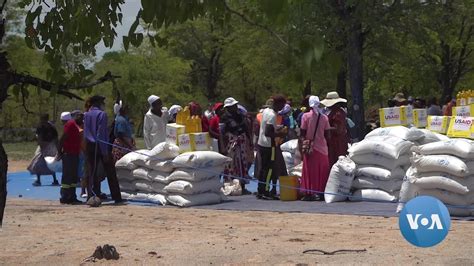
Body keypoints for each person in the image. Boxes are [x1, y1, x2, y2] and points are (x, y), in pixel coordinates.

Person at [84, 95, 123, 203]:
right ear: (98, 103)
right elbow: (101, 133)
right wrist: (105, 152)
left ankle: (90, 195)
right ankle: (117, 197)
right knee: (110, 171)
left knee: (91, 171)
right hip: (100, 145)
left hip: (89, 145)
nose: (104, 104)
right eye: (102, 102)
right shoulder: (102, 114)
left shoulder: (86, 114)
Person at [255, 95, 288, 200]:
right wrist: (280, 134)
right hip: (269, 145)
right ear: (277, 104)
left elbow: (267, 127)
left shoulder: (266, 111)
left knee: (263, 168)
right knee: (268, 169)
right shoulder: (272, 115)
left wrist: (276, 128)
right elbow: (268, 132)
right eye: (282, 105)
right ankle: (265, 190)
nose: (282, 107)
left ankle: (261, 190)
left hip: (262, 144)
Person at [299, 96, 331, 201]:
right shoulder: (325, 118)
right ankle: (321, 192)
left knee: (310, 172)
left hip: (311, 149)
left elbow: (302, 133)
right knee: (322, 172)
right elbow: (328, 135)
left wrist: (303, 145)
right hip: (322, 149)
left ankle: (310, 192)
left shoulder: (305, 117)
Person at [220, 98, 254, 194]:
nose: (235, 107)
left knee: (242, 164)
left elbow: (246, 128)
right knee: (231, 165)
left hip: (242, 143)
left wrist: (250, 141)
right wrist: (223, 147)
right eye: (233, 106)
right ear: (228, 108)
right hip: (231, 144)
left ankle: (242, 186)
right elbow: (222, 133)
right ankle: (231, 186)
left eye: (235, 105)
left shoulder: (241, 115)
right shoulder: (224, 117)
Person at [56, 111, 83, 204]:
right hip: (69, 154)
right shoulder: (71, 124)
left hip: (74, 153)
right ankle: (65, 196)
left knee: (72, 176)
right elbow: (62, 139)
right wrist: (59, 152)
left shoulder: (71, 124)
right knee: (68, 176)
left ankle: (71, 196)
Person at [28, 114, 59, 186]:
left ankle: (53, 180)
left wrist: (56, 148)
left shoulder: (50, 127)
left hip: (48, 146)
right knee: (39, 163)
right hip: (45, 146)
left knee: (48, 163)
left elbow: (55, 138)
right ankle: (39, 180)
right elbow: (39, 137)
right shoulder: (42, 127)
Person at [321, 92, 349, 168]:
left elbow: (338, 129)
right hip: (331, 142)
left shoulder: (338, 113)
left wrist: (324, 128)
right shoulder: (330, 111)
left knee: (336, 163)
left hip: (337, 143)